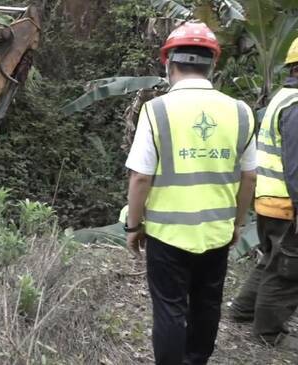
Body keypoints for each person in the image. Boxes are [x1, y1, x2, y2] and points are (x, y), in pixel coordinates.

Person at [124, 22, 257, 364]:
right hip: (216, 233)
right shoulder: (240, 111)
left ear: (169, 63)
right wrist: (238, 225)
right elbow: (249, 177)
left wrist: (133, 227)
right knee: (207, 303)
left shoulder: (156, 111)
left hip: (167, 236)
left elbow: (140, 178)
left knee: (170, 309)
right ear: (212, 64)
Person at [229, 37, 298, 350]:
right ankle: (268, 333)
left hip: (270, 198)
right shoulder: (296, 105)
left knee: (272, 259)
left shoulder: (283, 97)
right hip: (287, 203)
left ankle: (243, 310)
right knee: (287, 271)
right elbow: (296, 165)